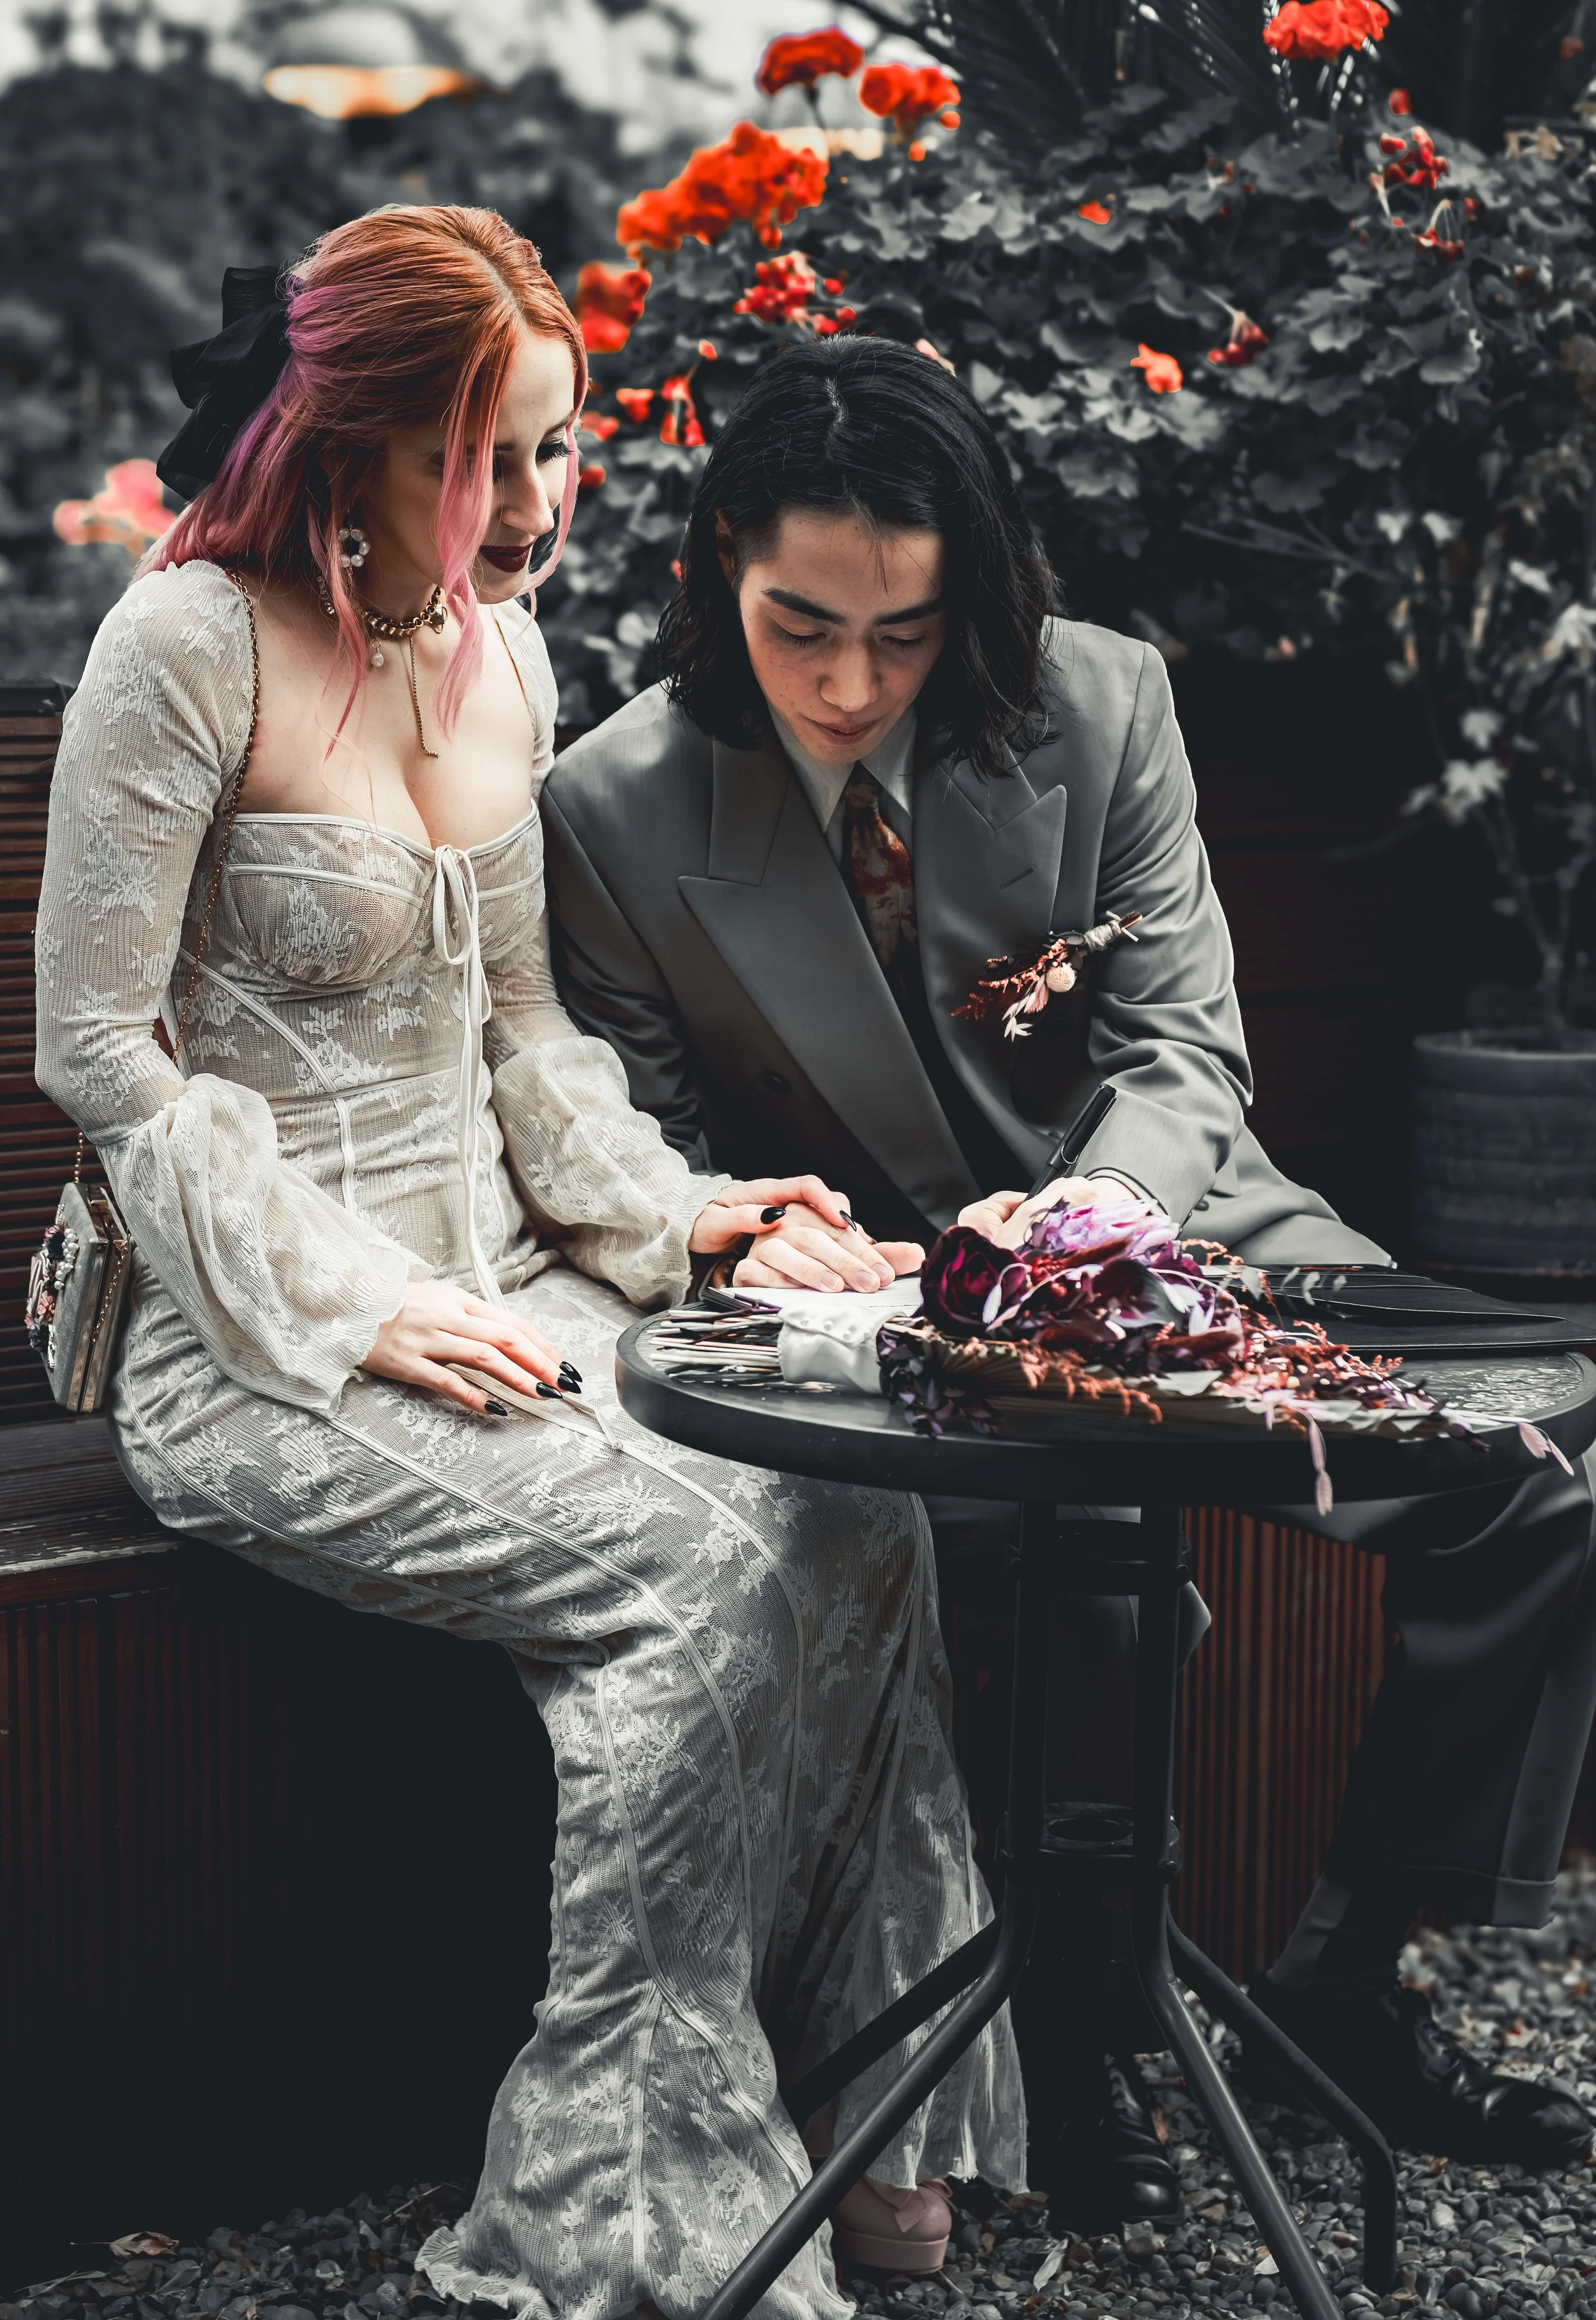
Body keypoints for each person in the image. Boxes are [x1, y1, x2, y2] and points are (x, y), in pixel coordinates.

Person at [33, 210, 1028, 2320]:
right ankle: (635, 2174)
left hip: (503, 1281)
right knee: (683, 1559)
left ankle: (864, 2107)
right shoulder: (185, 645)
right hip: (248, 1331)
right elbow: (98, 1050)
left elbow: (519, 1042)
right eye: (498, 463)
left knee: (859, 1482)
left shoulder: (506, 652)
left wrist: (688, 1219)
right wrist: (340, 1299)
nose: (549, 510)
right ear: (356, 443)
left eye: (569, 457)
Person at [541, 334, 1596, 2219]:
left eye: (908, 632)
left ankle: (1344, 1978)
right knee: (1054, 1539)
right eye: (802, 627)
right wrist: (748, 1217)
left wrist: (1088, 1218)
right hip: (871, 1295)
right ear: (716, 560)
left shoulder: (1100, 704)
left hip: (1172, 1216)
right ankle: (1071, 2021)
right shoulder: (612, 808)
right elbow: (651, 1144)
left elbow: (1183, 1046)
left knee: (1530, 1496)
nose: (854, 683)